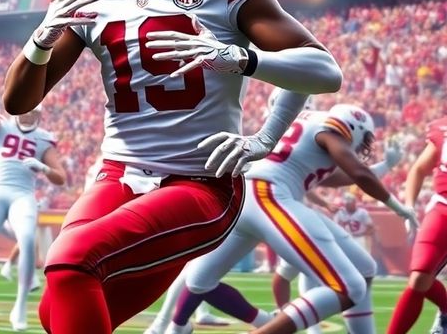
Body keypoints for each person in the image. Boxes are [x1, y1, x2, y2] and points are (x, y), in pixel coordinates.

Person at [0, 0, 343, 333]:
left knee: (72, 262)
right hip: (118, 173)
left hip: (200, 182)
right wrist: (40, 36)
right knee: (55, 305)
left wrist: (248, 84)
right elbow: (18, 103)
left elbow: (323, 71)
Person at [164, 105, 417, 334]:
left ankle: (196, 327)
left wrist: (385, 166)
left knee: (198, 282)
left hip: (243, 196)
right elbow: (357, 172)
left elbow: (332, 176)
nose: (358, 150)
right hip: (267, 195)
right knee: (351, 287)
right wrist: (398, 207)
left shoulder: (310, 126)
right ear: (355, 127)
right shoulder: (330, 129)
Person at [0, 58, 67, 331]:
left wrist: (43, 167)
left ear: (40, 113)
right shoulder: (2, 127)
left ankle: (19, 308)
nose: (28, 114)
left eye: (34, 111)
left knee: (28, 239)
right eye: (25, 110)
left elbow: (61, 177)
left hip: (23, 193)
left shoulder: (45, 138)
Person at [388, 115, 447, 333]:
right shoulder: (443, 128)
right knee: (419, 277)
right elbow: (419, 169)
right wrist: (409, 207)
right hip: (443, 208)